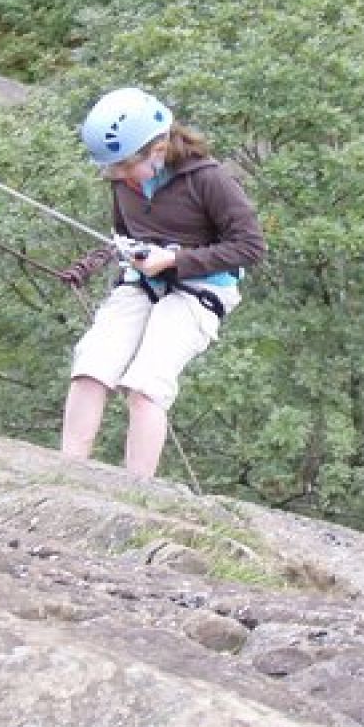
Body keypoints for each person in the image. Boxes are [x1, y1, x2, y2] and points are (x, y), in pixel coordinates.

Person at [54, 88, 265, 479]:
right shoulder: (125, 183)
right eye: (112, 169)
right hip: (143, 280)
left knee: (146, 384)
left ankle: (138, 490)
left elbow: (250, 247)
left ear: (158, 147)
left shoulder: (208, 180)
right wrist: (90, 264)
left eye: (124, 166)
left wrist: (178, 260)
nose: (117, 176)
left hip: (203, 289)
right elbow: (120, 235)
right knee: (93, 363)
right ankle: (66, 472)